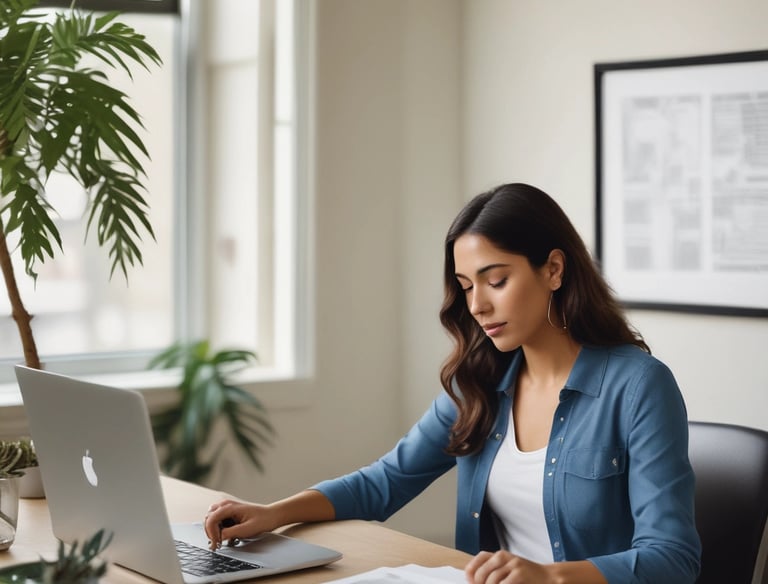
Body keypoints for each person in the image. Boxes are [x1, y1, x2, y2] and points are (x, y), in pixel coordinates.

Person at [203, 183, 701, 583]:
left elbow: (672, 558)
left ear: (553, 269)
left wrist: (549, 577)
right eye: (466, 287)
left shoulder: (638, 387)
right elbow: (385, 482)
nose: (478, 305)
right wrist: (273, 513)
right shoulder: (481, 384)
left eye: (496, 280)